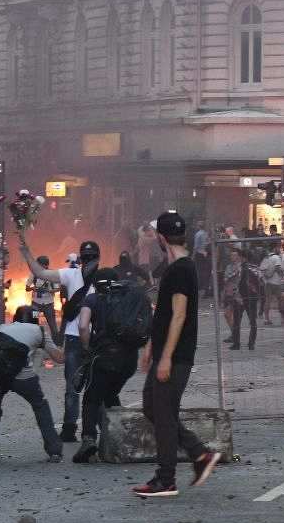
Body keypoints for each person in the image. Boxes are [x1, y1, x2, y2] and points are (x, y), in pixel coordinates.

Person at [132, 211, 221, 498]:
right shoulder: (174, 267)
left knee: (164, 413)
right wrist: (150, 348)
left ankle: (166, 478)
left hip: (177, 354)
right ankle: (199, 454)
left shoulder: (182, 269)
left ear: (161, 238)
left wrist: (167, 356)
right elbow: (164, 315)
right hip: (164, 351)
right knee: (153, 407)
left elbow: (179, 316)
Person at [20, 232, 101, 442]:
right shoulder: (71, 275)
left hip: (91, 340)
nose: (90, 261)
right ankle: (71, 428)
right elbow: (40, 272)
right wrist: (26, 253)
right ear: (82, 259)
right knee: (74, 388)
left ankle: (90, 428)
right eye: (88, 257)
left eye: (92, 257)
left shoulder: (102, 279)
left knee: (90, 387)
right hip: (78, 339)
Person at [74, 267, 150, 463]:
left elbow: (82, 326)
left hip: (105, 357)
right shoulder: (130, 298)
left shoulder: (94, 299)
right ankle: (123, 437)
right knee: (110, 394)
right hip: (129, 361)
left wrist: (87, 346)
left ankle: (89, 439)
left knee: (91, 398)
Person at [0, 306, 65, 463]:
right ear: (35, 318)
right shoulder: (39, 330)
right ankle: (54, 449)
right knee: (39, 405)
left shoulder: (3, 327)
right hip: (22, 377)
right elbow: (58, 358)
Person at [27, 256, 60, 342]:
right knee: (34, 324)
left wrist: (49, 290)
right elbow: (27, 288)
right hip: (36, 304)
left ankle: (56, 344)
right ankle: (34, 342)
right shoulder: (33, 274)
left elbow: (57, 289)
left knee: (53, 326)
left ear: (46, 265)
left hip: (48, 304)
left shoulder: (52, 274)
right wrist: (34, 288)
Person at [259, 241, 284, 325]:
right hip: (276, 282)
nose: (279, 249)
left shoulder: (267, 257)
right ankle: (283, 319)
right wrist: (283, 276)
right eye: (278, 247)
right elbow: (278, 268)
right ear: (275, 248)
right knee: (281, 300)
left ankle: (266, 319)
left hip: (267, 282)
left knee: (268, 300)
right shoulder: (276, 258)